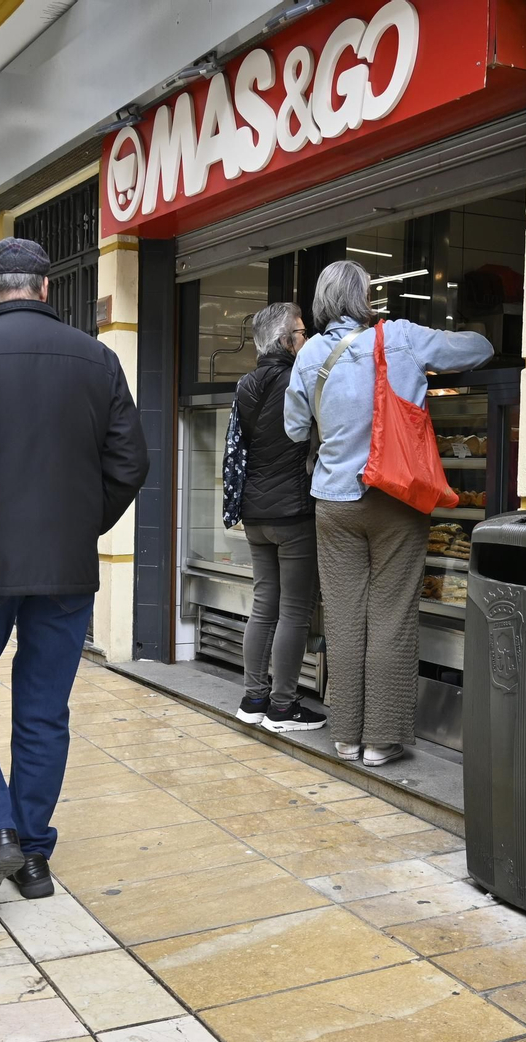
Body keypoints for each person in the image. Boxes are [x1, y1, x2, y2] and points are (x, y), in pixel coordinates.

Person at [0, 237, 148, 899]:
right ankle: (35, 858)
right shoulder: (98, 359)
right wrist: (81, 527)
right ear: (45, 289)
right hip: (67, 567)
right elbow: (130, 464)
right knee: (44, 710)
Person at [284, 261, 493, 767]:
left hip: (334, 502)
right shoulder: (399, 336)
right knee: (391, 616)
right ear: (363, 298)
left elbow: (293, 430)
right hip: (397, 497)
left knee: (345, 617)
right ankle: (380, 741)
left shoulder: (310, 353)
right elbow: (478, 350)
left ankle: (346, 737)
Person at [225, 302, 324, 734]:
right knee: (294, 611)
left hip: (255, 513)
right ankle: (283, 707)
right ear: (287, 341)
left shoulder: (247, 383)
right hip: (292, 514)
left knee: (264, 606)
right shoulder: (299, 380)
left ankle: (253, 699)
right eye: (302, 333)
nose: (307, 339)